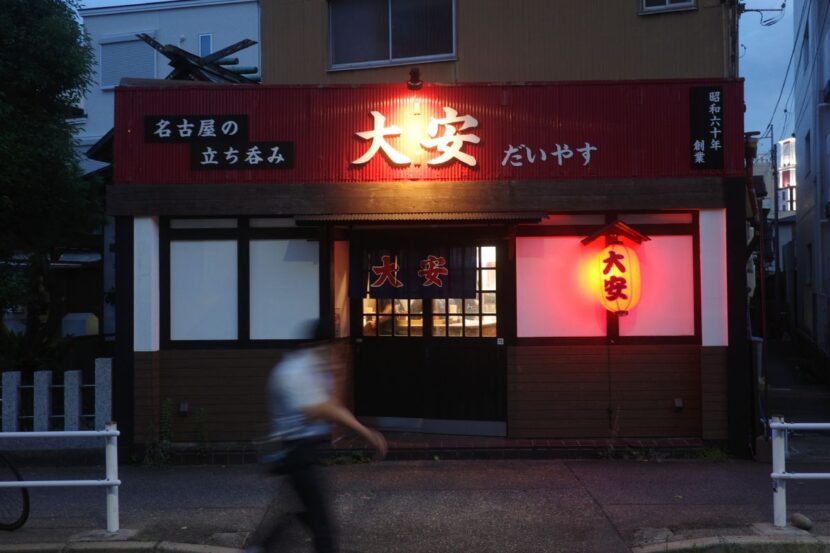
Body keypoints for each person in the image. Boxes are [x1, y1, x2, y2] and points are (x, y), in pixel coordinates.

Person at [246, 320, 387, 553]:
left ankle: (261, 548)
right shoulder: (293, 372)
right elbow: (318, 410)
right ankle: (262, 547)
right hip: (292, 450)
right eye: (327, 346)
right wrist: (366, 433)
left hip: (306, 449)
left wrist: (338, 376)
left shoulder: (315, 369)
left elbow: (332, 405)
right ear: (313, 345)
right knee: (321, 524)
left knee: (308, 512)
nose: (330, 351)